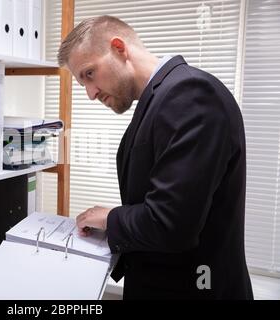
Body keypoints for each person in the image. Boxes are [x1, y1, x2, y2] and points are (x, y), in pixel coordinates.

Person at [57, 15, 253, 299]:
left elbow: (171, 224)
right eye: (82, 82)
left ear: (119, 48)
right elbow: (170, 200)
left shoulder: (190, 94)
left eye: (89, 73)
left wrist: (111, 218)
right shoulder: (161, 98)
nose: (90, 93)